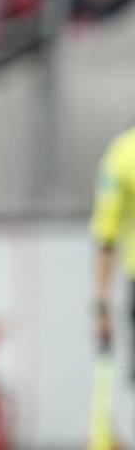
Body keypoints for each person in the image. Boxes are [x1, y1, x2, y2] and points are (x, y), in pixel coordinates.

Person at [91, 124, 135, 363]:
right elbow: (106, 236)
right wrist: (102, 308)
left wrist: (102, 309)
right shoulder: (124, 154)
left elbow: (105, 237)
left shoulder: (124, 152)